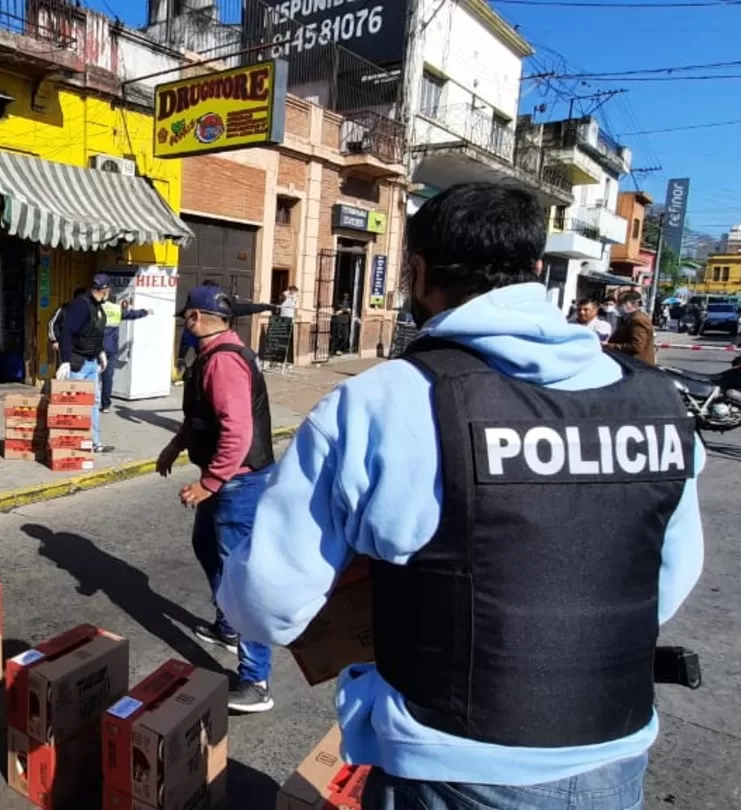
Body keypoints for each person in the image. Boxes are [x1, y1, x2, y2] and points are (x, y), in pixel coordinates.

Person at [217, 182, 705, 809]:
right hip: (614, 756)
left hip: (450, 767)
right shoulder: (658, 403)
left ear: (417, 274)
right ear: (535, 271)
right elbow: (669, 576)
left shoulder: (382, 402)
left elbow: (267, 602)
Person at [156, 283, 277, 714]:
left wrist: (209, 482)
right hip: (226, 481)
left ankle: (256, 679)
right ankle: (228, 626)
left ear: (194, 319)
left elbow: (238, 431)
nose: (183, 325)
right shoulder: (210, 355)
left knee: (241, 576)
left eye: (185, 317)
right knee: (206, 547)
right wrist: (175, 447)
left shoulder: (223, 362)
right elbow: (200, 415)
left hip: (238, 483)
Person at [56, 276, 114, 453]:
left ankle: (94, 442)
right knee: (75, 404)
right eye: (108, 289)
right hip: (77, 363)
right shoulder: (81, 305)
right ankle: (71, 443)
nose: (110, 293)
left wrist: (101, 352)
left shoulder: (97, 305)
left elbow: (94, 333)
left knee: (94, 402)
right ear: (103, 289)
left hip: (91, 362)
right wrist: (65, 360)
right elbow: (67, 332)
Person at [100, 295, 151, 413]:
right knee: (107, 378)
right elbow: (132, 314)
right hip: (111, 349)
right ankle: (105, 405)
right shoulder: (117, 310)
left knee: (91, 376)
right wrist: (145, 312)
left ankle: (89, 402)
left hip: (96, 348)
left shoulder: (97, 308)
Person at [606, 289, 657, 365]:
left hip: (637, 365)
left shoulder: (637, 319)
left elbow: (637, 346)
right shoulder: (631, 318)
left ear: (628, 304)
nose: (617, 306)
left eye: (620, 304)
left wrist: (610, 345)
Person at [48, 288, 84, 362]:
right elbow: (52, 323)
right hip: (65, 345)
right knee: (64, 368)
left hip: (82, 347)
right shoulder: (64, 308)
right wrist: (54, 340)